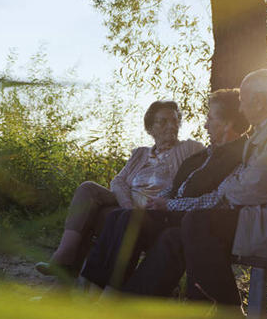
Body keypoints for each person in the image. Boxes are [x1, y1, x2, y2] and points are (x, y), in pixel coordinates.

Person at [122, 70, 267, 319]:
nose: (241, 108)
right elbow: (241, 185)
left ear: (260, 101)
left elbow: (250, 187)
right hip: (263, 217)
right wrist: (227, 188)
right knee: (177, 235)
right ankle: (129, 308)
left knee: (198, 224)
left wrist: (220, 191)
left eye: (243, 100)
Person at [79, 89, 249, 290]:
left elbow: (217, 199)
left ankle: (108, 293)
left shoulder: (237, 157)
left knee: (130, 220)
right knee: (121, 216)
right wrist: (157, 200)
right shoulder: (205, 154)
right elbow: (173, 186)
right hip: (168, 214)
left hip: (186, 219)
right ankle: (88, 287)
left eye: (210, 118)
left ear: (228, 124)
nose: (205, 124)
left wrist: (169, 204)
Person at [35, 100, 203, 278]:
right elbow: (118, 182)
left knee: (97, 216)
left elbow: (191, 180)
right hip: (128, 204)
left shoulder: (189, 148)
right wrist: (128, 205)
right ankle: (64, 254)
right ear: (150, 128)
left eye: (175, 121)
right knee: (87, 189)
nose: (171, 126)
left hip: (155, 210)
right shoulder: (140, 153)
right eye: (163, 121)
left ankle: (66, 279)